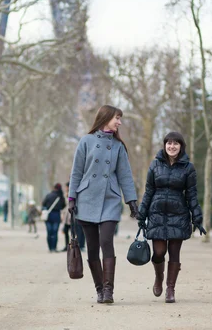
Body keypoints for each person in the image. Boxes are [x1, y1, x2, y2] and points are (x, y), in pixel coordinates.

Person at [68, 104, 139, 304]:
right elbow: (76, 172)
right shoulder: (86, 141)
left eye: (120, 118)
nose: (120, 122)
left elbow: (125, 175)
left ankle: (109, 291)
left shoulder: (118, 146)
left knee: (106, 241)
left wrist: (132, 202)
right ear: (106, 117)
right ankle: (99, 289)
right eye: (117, 118)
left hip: (110, 199)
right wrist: (72, 199)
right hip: (87, 198)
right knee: (91, 247)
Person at [137, 132, 205, 303]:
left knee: (174, 254)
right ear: (164, 145)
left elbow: (192, 194)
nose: (172, 146)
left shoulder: (188, 168)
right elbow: (148, 191)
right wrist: (141, 213)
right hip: (157, 214)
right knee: (159, 253)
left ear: (181, 146)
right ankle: (159, 277)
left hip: (179, 215)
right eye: (169, 143)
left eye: (176, 143)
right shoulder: (154, 165)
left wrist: (197, 216)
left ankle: (170, 289)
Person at [42, 183, 66, 252]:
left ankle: (50, 248)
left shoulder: (48, 195)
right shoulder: (60, 197)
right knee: (55, 232)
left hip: (48, 216)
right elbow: (63, 206)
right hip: (56, 215)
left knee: (49, 232)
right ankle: (54, 248)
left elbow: (43, 204)